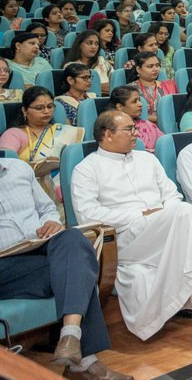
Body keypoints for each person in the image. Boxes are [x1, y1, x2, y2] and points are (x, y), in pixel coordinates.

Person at [72, 110, 192, 347]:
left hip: (166, 228)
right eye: (129, 130)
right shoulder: (86, 169)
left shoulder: (147, 159)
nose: (136, 134)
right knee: (184, 214)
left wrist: (162, 216)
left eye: (135, 128)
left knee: (187, 234)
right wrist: (141, 214)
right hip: (126, 238)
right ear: (107, 134)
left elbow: (172, 195)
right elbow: (88, 215)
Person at [0, 154, 131, 380]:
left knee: (72, 239)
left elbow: (47, 209)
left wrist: (51, 222)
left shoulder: (19, 169)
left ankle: (70, 336)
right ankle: (84, 363)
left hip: (39, 246)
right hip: (5, 264)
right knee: (78, 269)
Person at [0, 85, 85, 199]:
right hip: (24, 191)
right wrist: (39, 166)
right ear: (24, 110)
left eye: (50, 106)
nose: (46, 111)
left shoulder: (65, 131)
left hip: (66, 191)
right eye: (39, 108)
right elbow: (5, 168)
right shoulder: (14, 134)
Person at [129, 52, 176, 148]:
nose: (155, 69)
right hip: (142, 131)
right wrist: (156, 119)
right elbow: (129, 115)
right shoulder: (130, 90)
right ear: (138, 69)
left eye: (157, 66)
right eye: (150, 66)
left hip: (170, 128)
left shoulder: (169, 85)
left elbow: (175, 111)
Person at [65, 30, 113, 94]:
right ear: (79, 45)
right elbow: (78, 89)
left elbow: (115, 84)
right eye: (89, 43)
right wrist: (103, 86)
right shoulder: (71, 66)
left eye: (96, 44)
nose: (94, 47)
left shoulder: (102, 62)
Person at [55, 62, 96, 127]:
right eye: (84, 78)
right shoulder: (61, 102)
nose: (89, 81)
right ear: (70, 80)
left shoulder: (94, 98)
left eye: (90, 77)